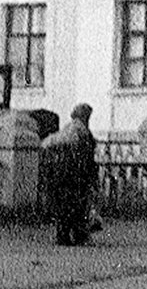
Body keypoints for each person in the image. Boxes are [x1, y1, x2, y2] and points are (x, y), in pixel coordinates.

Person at [38, 102, 100, 246]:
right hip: (76, 174)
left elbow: (48, 144)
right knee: (77, 207)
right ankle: (78, 236)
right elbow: (86, 157)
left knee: (65, 207)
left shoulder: (67, 130)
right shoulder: (81, 131)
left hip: (61, 174)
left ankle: (64, 236)